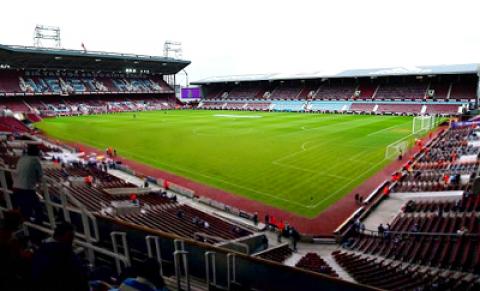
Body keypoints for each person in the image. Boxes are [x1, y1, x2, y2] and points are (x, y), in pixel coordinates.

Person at [31, 223, 89, 291]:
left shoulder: (41, 249)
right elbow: (80, 280)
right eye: (72, 236)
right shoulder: (67, 255)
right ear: (67, 236)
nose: (73, 239)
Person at [12, 144, 43, 221]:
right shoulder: (35, 160)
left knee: (25, 210)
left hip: (16, 187)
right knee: (38, 209)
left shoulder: (21, 158)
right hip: (26, 189)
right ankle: (35, 227)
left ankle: (28, 225)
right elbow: (40, 176)